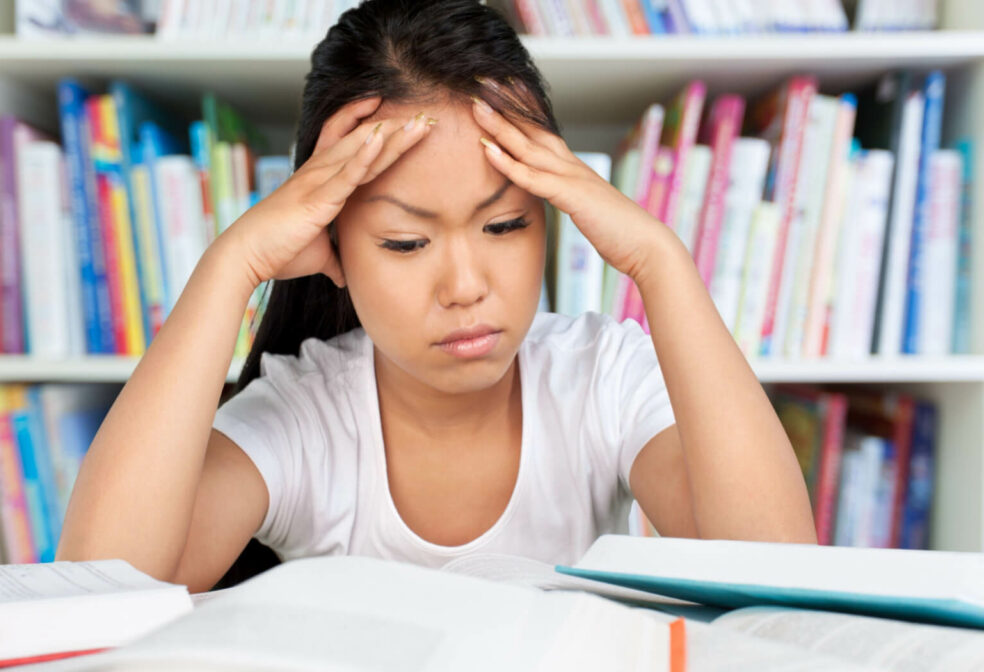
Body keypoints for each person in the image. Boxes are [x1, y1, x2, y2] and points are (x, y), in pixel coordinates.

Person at [56, 0, 817, 595]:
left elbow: (775, 572)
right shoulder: (307, 412)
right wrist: (232, 265)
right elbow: (108, 583)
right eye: (405, 243)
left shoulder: (600, 379)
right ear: (334, 249)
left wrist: (661, 261)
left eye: (507, 223)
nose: (465, 287)